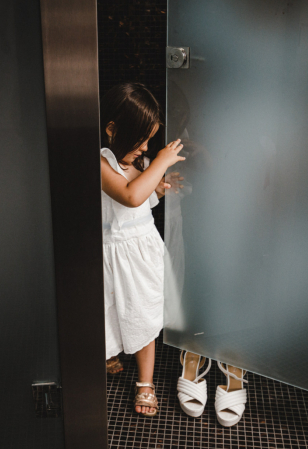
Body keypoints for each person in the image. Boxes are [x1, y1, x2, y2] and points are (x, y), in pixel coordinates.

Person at [100, 82, 185, 416]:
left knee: (144, 317)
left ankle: (145, 383)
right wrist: (160, 162)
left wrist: (160, 190)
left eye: (150, 140)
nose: (147, 147)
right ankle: (110, 351)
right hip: (114, 254)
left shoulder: (133, 162)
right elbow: (131, 196)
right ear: (112, 130)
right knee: (109, 312)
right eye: (141, 139)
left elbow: (142, 200)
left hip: (141, 256)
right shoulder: (102, 164)